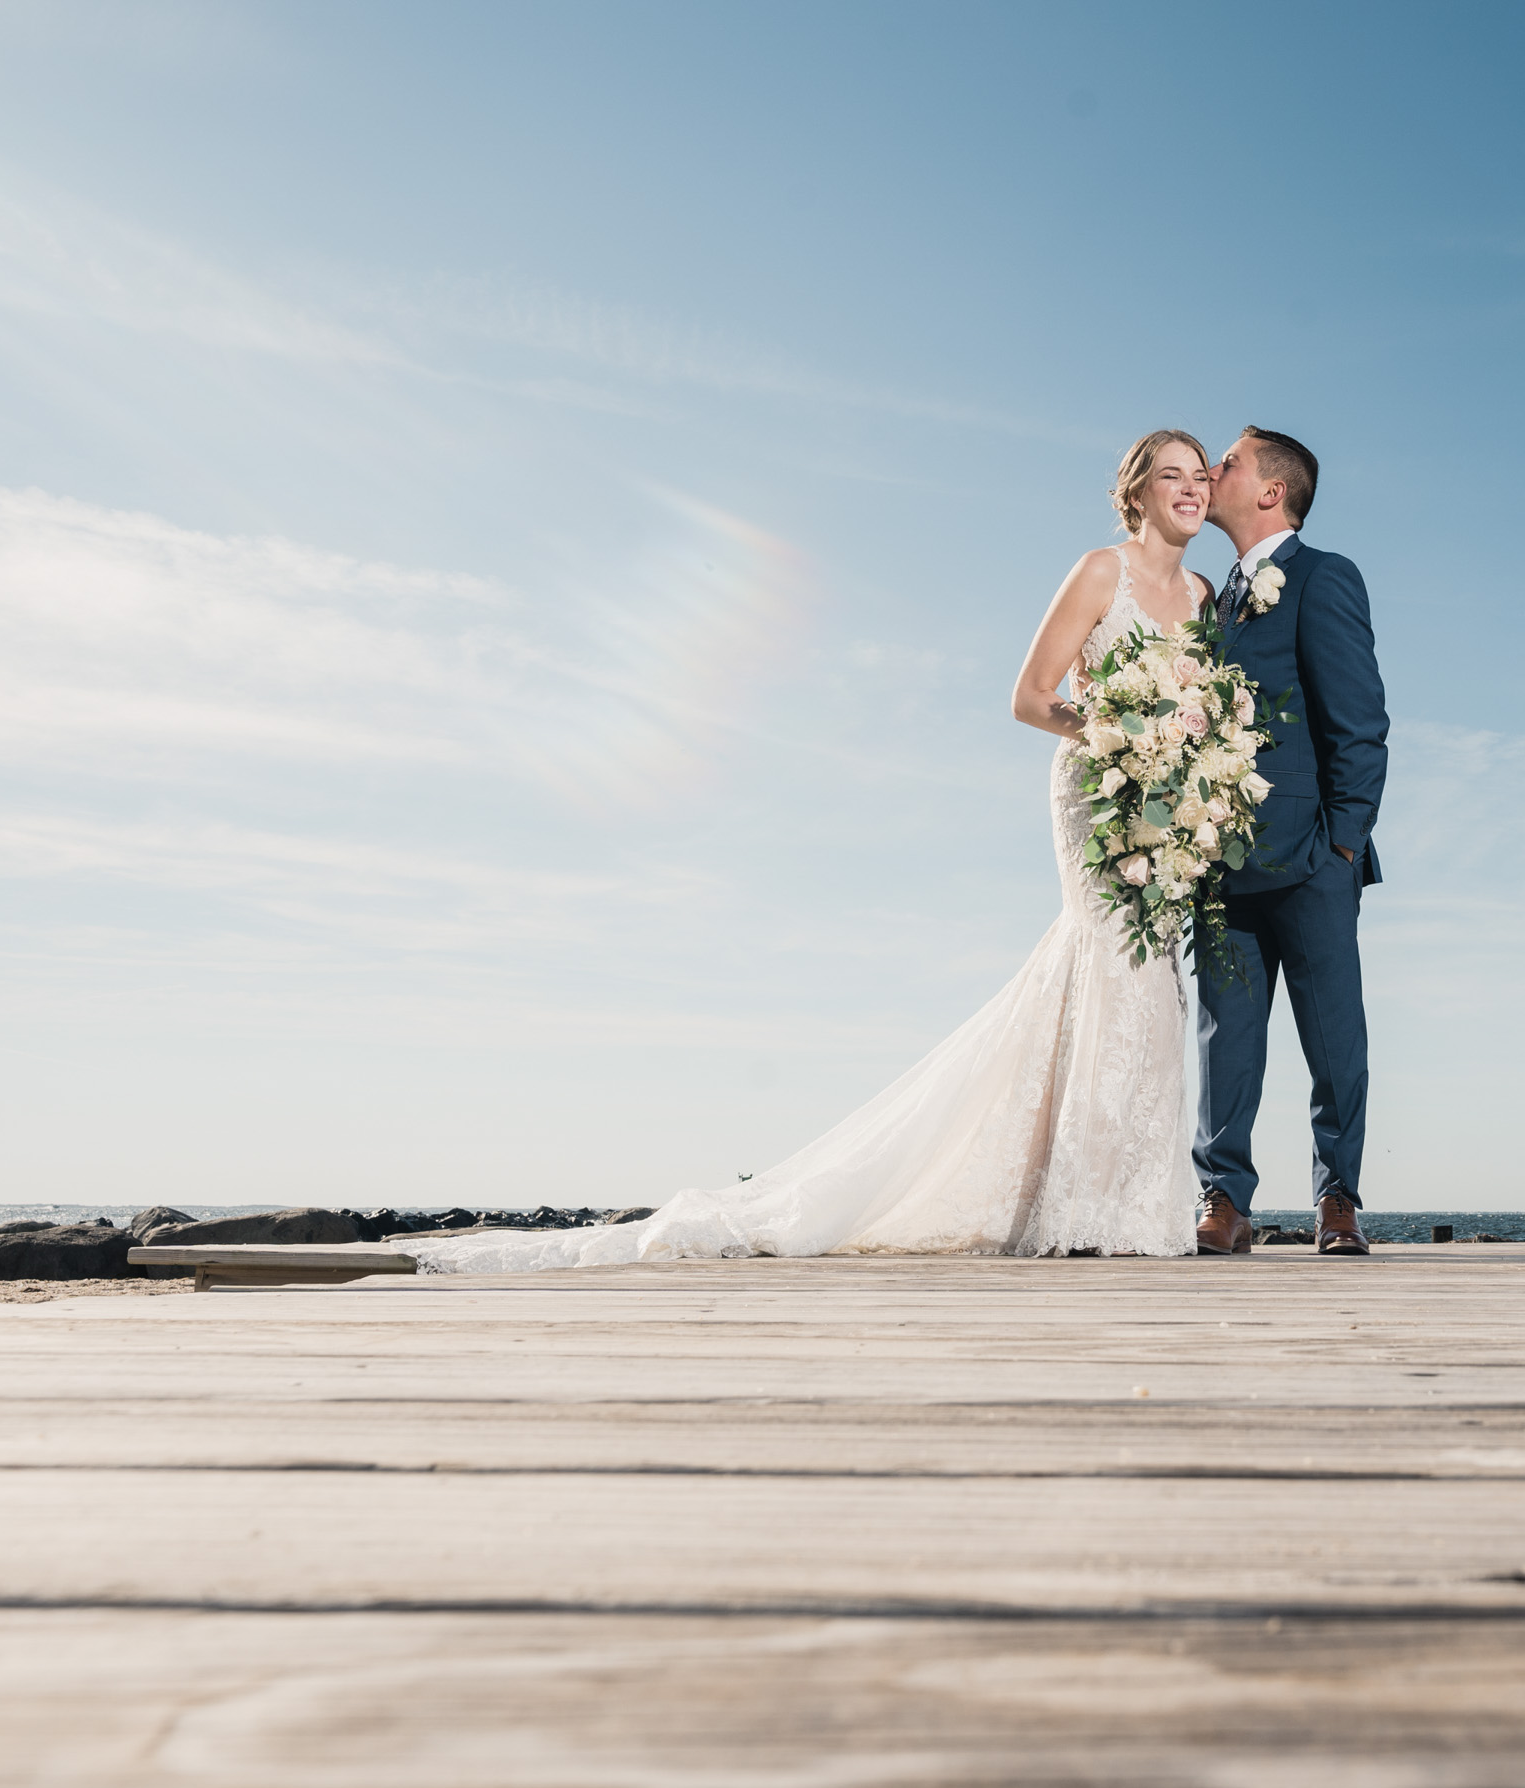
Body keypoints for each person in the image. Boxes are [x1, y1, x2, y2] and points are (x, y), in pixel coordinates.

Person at [414, 430, 1218, 1271]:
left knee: (1154, 970)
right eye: (1172, 475)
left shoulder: (1202, 595)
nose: (1190, 488)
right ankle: (1084, 1204)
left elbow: (1205, 706)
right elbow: (1029, 697)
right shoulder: (1099, 571)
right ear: (1138, 491)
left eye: (1199, 476)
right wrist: (1122, 733)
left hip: (1165, 805)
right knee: (1108, 952)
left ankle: (1129, 1203)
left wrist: (1186, 761)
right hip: (1097, 787)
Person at [1189, 428, 1389, 1257]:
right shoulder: (1207, 602)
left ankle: (1337, 1198)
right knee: (1224, 1038)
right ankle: (1224, 1200)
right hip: (1218, 860)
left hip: (1311, 857)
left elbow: (1361, 723)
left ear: (1272, 491)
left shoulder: (1322, 577)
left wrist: (1341, 845)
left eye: (1229, 462)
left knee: (1334, 1036)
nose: (1212, 471)